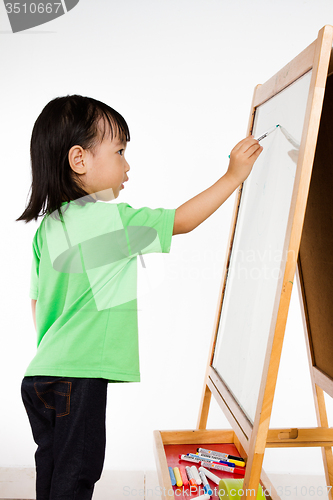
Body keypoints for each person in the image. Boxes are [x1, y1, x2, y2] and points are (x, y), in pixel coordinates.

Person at [16, 94, 262, 500]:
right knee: (78, 474)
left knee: (54, 468)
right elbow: (181, 221)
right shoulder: (113, 220)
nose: (127, 165)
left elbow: (37, 304)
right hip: (79, 377)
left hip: (41, 375)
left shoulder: (48, 228)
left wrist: (58, 350)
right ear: (79, 160)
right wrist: (234, 176)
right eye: (119, 152)